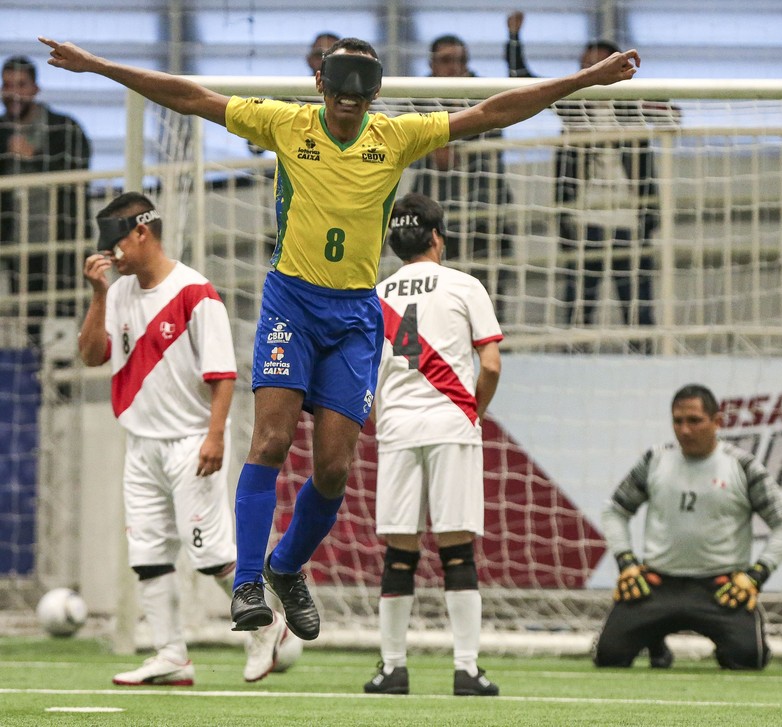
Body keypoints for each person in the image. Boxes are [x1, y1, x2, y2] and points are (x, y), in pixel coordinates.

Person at [39, 33, 642, 642]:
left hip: (355, 313)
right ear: (321, 84)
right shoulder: (285, 123)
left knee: (333, 469)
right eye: (341, 86)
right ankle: (248, 581)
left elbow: (493, 111)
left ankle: (285, 568)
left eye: (363, 89)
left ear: (375, 92)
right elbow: (190, 95)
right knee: (271, 440)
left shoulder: (397, 137)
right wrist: (96, 65)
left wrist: (585, 81)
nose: (350, 100)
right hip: (291, 303)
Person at [77, 192, 295, 685]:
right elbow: (92, 356)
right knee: (148, 555)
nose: (110, 254)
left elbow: (223, 374)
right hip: (140, 445)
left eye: (116, 243)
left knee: (210, 554)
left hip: (190, 442)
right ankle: (171, 654)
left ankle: (268, 627)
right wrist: (97, 294)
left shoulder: (196, 293)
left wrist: (215, 436)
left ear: (142, 232)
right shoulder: (119, 294)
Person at [363, 193, 502, 697]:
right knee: (456, 548)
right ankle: (466, 669)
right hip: (451, 424)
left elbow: (361, 376)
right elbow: (490, 364)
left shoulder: (375, 294)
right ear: (437, 238)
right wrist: (473, 411)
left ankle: (391, 668)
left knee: (400, 550)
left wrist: (381, 420)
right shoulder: (466, 286)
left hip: (398, 428)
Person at [593, 384, 782, 670]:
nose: (685, 430)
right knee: (609, 657)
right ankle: (655, 643)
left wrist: (755, 577)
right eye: (677, 421)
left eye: (694, 421)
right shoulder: (655, 460)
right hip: (657, 584)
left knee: (747, 659)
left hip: (720, 588)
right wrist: (626, 563)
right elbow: (615, 510)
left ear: (717, 422)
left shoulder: (741, 466)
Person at [506, 12, 677, 335]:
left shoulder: (636, 101)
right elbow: (523, 80)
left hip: (630, 217)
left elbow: (674, 115)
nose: (592, 73)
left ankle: (646, 359)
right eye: (587, 67)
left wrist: (646, 100)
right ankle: (575, 358)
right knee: (580, 305)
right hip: (583, 217)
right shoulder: (572, 102)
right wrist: (514, 39)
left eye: (599, 65)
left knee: (637, 304)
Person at [410, 35, 515, 321]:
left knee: (487, 295)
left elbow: (491, 132)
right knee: (435, 300)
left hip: (485, 210)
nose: (455, 67)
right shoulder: (415, 96)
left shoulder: (487, 95)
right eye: (446, 60)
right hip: (435, 214)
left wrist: (447, 139)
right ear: (431, 64)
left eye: (461, 60)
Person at [0, 55, 91, 330]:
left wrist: (34, 157)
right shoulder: (0, 132)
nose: (13, 93)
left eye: (21, 85)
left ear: (35, 89)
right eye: (6, 86)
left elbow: (80, 170)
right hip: (18, 247)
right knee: (28, 323)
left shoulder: (65, 127)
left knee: (64, 320)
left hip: (62, 245)